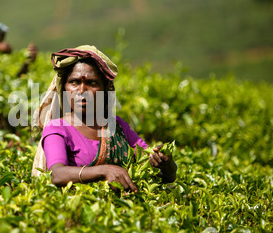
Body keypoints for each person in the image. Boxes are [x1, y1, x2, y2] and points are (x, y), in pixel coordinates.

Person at [32, 45, 177, 193]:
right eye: (74, 82)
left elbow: (153, 167)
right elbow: (57, 174)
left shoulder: (117, 126)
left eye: (92, 83)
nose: (82, 90)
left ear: (104, 89)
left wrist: (166, 164)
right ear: (64, 88)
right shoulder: (57, 128)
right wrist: (104, 171)